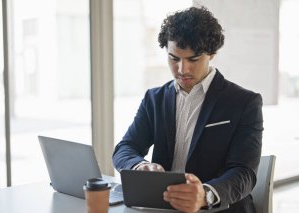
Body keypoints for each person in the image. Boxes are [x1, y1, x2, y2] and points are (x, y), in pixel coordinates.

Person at [112, 6, 263, 213]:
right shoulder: (154, 99)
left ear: (212, 54)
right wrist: (140, 166)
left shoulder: (244, 103)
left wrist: (205, 195)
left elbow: (244, 172)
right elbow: (125, 148)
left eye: (193, 59)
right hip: (162, 207)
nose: (182, 69)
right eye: (174, 58)